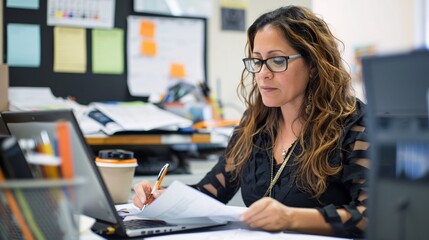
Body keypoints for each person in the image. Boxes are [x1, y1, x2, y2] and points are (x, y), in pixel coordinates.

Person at [133, 5, 368, 238]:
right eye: (257, 61)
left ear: (314, 65)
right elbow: (210, 193)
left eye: (277, 61)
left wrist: (290, 218)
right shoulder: (254, 123)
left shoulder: (356, 125)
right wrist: (163, 197)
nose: (262, 73)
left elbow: (370, 217)